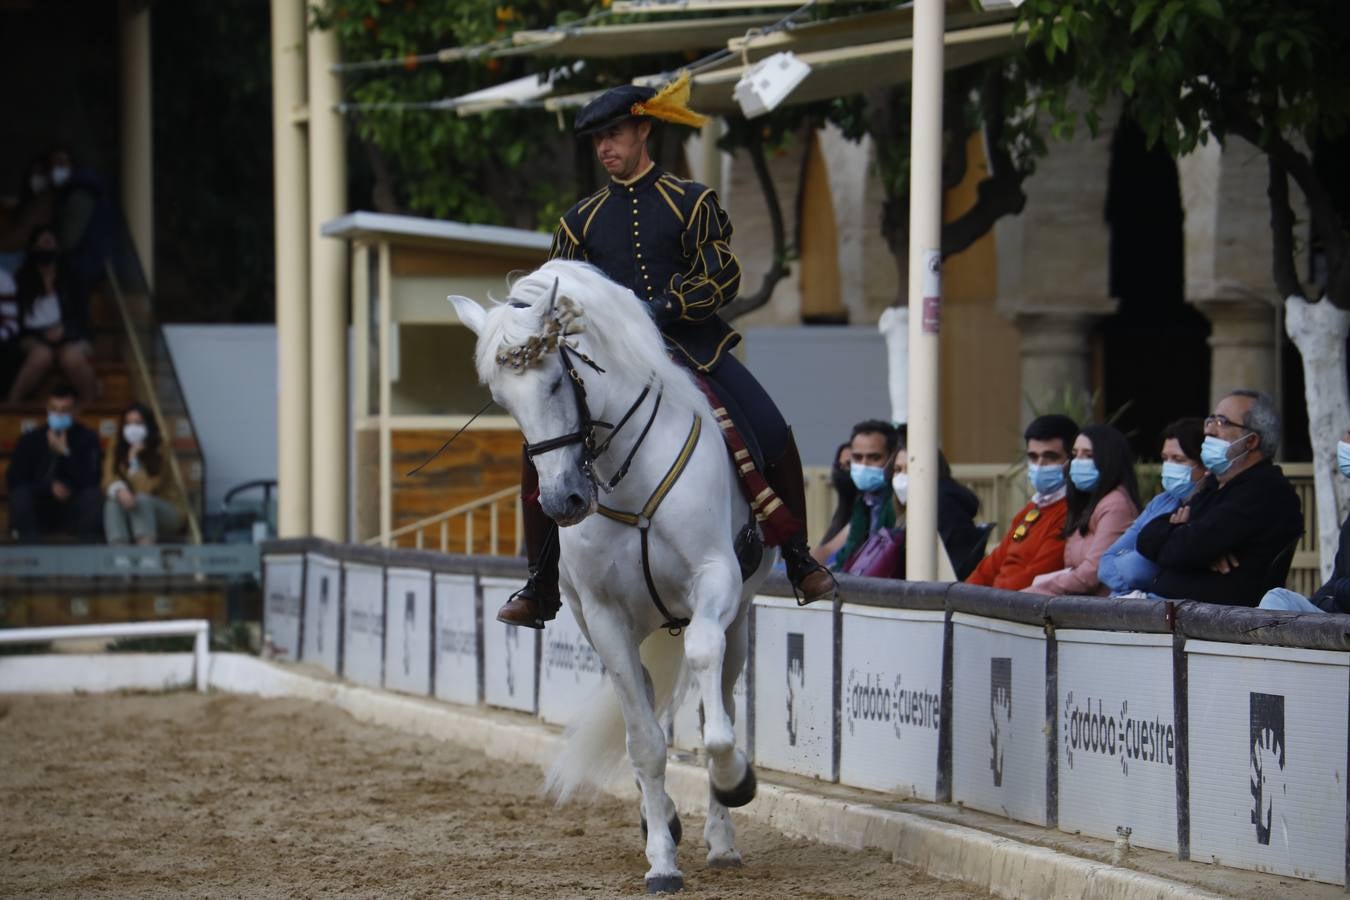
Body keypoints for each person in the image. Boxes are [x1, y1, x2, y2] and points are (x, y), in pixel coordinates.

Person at [495, 77, 835, 629]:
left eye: (615, 134)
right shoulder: (576, 222)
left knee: (772, 430)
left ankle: (798, 557)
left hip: (691, 348)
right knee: (536, 453)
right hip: (609, 366)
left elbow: (722, 275)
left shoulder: (692, 200)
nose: (607, 148)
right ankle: (541, 584)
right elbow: (555, 294)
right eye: (598, 140)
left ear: (643, 129)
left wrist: (663, 307)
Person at [1136, 390, 1303, 607]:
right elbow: (1146, 538)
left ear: (1251, 441)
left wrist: (1190, 543)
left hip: (1216, 626)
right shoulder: (1214, 486)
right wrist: (1190, 542)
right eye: (1211, 419)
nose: (1209, 428)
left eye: (1222, 422)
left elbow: (1187, 550)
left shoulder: (1264, 490)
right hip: (1168, 612)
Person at [1025, 424, 1140, 596]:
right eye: (1075, 454)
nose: (1078, 462)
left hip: (1103, 612)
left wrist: (1032, 592)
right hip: (1079, 607)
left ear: (1108, 460)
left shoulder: (1116, 505)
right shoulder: (1087, 502)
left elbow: (1091, 573)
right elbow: (1072, 569)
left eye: (1088, 455)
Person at [967, 414, 1078, 591]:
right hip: (995, 602)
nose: (1040, 464)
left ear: (1071, 460)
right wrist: (963, 596)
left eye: (1050, 457)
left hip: (1019, 607)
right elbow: (993, 563)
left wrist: (990, 599)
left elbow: (1038, 575)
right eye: (1033, 457)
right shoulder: (1031, 509)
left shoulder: (1072, 512)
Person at [1099, 418, 1207, 596]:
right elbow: (1105, 563)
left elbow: (1136, 571)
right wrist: (1140, 585)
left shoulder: (1210, 508)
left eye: (1178, 460)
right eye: (1165, 459)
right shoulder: (1161, 502)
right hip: (1125, 608)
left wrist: (1131, 567)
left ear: (1205, 465)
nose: (1169, 466)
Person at [1260, 425, 1350, 613]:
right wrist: (1323, 600)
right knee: (1279, 600)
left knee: (1278, 600)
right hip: (1338, 617)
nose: (1344, 442)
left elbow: (1341, 589)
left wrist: (1335, 595)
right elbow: (1335, 583)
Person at [8, 225, 98, 403]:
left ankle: (91, 407)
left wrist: (65, 330)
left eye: (50, 244)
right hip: (34, 337)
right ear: (33, 249)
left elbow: (82, 317)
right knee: (41, 355)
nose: (46, 250)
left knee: (72, 358)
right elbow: (19, 320)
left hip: (71, 336)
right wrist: (43, 335)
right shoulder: (22, 279)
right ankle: (12, 404)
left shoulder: (71, 278)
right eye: (42, 245)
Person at [6, 383, 102, 542]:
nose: (58, 414)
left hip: (72, 504)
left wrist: (65, 452)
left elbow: (92, 478)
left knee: (94, 497)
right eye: (54, 409)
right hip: (39, 505)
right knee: (20, 495)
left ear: (75, 411)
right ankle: (29, 550)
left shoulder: (87, 438)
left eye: (64, 410)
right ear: (47, 409)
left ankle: (86, 552)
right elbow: (14, 479)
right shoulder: (31, 439)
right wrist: (48, 488)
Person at [102, 402, 184, 545]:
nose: (132, 428)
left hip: (166, 510)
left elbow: (147, 489)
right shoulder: (117, 444)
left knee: (142, 500)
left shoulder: (161, 448)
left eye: (138, 423)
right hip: (130, 507)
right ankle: (120, 558)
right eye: (128, 424)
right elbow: (108, 477)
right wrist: (119, 489)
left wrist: (134, 461)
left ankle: (147, 558)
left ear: (148, 426)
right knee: (113, 502)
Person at [828, 420, 902, 571]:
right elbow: (847, 555)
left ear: (892, 458)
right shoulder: (862, 502)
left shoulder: (899, 501)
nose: (864, 464)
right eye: (857, 457)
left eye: (874, 457)